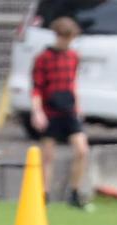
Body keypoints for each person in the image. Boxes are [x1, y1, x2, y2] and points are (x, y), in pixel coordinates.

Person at [30, 16, 90, 210]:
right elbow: (37, 87)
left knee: (82, 150)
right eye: (64, 37)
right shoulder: (43, 58)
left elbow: (73, 83)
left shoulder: (73, 56)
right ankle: (43, 194)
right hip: (50, 111)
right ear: (57, 35)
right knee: (48, 156)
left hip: (69, 110)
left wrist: (78, 107)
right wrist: (37, 111)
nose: (67, 41)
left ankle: (74, 193)